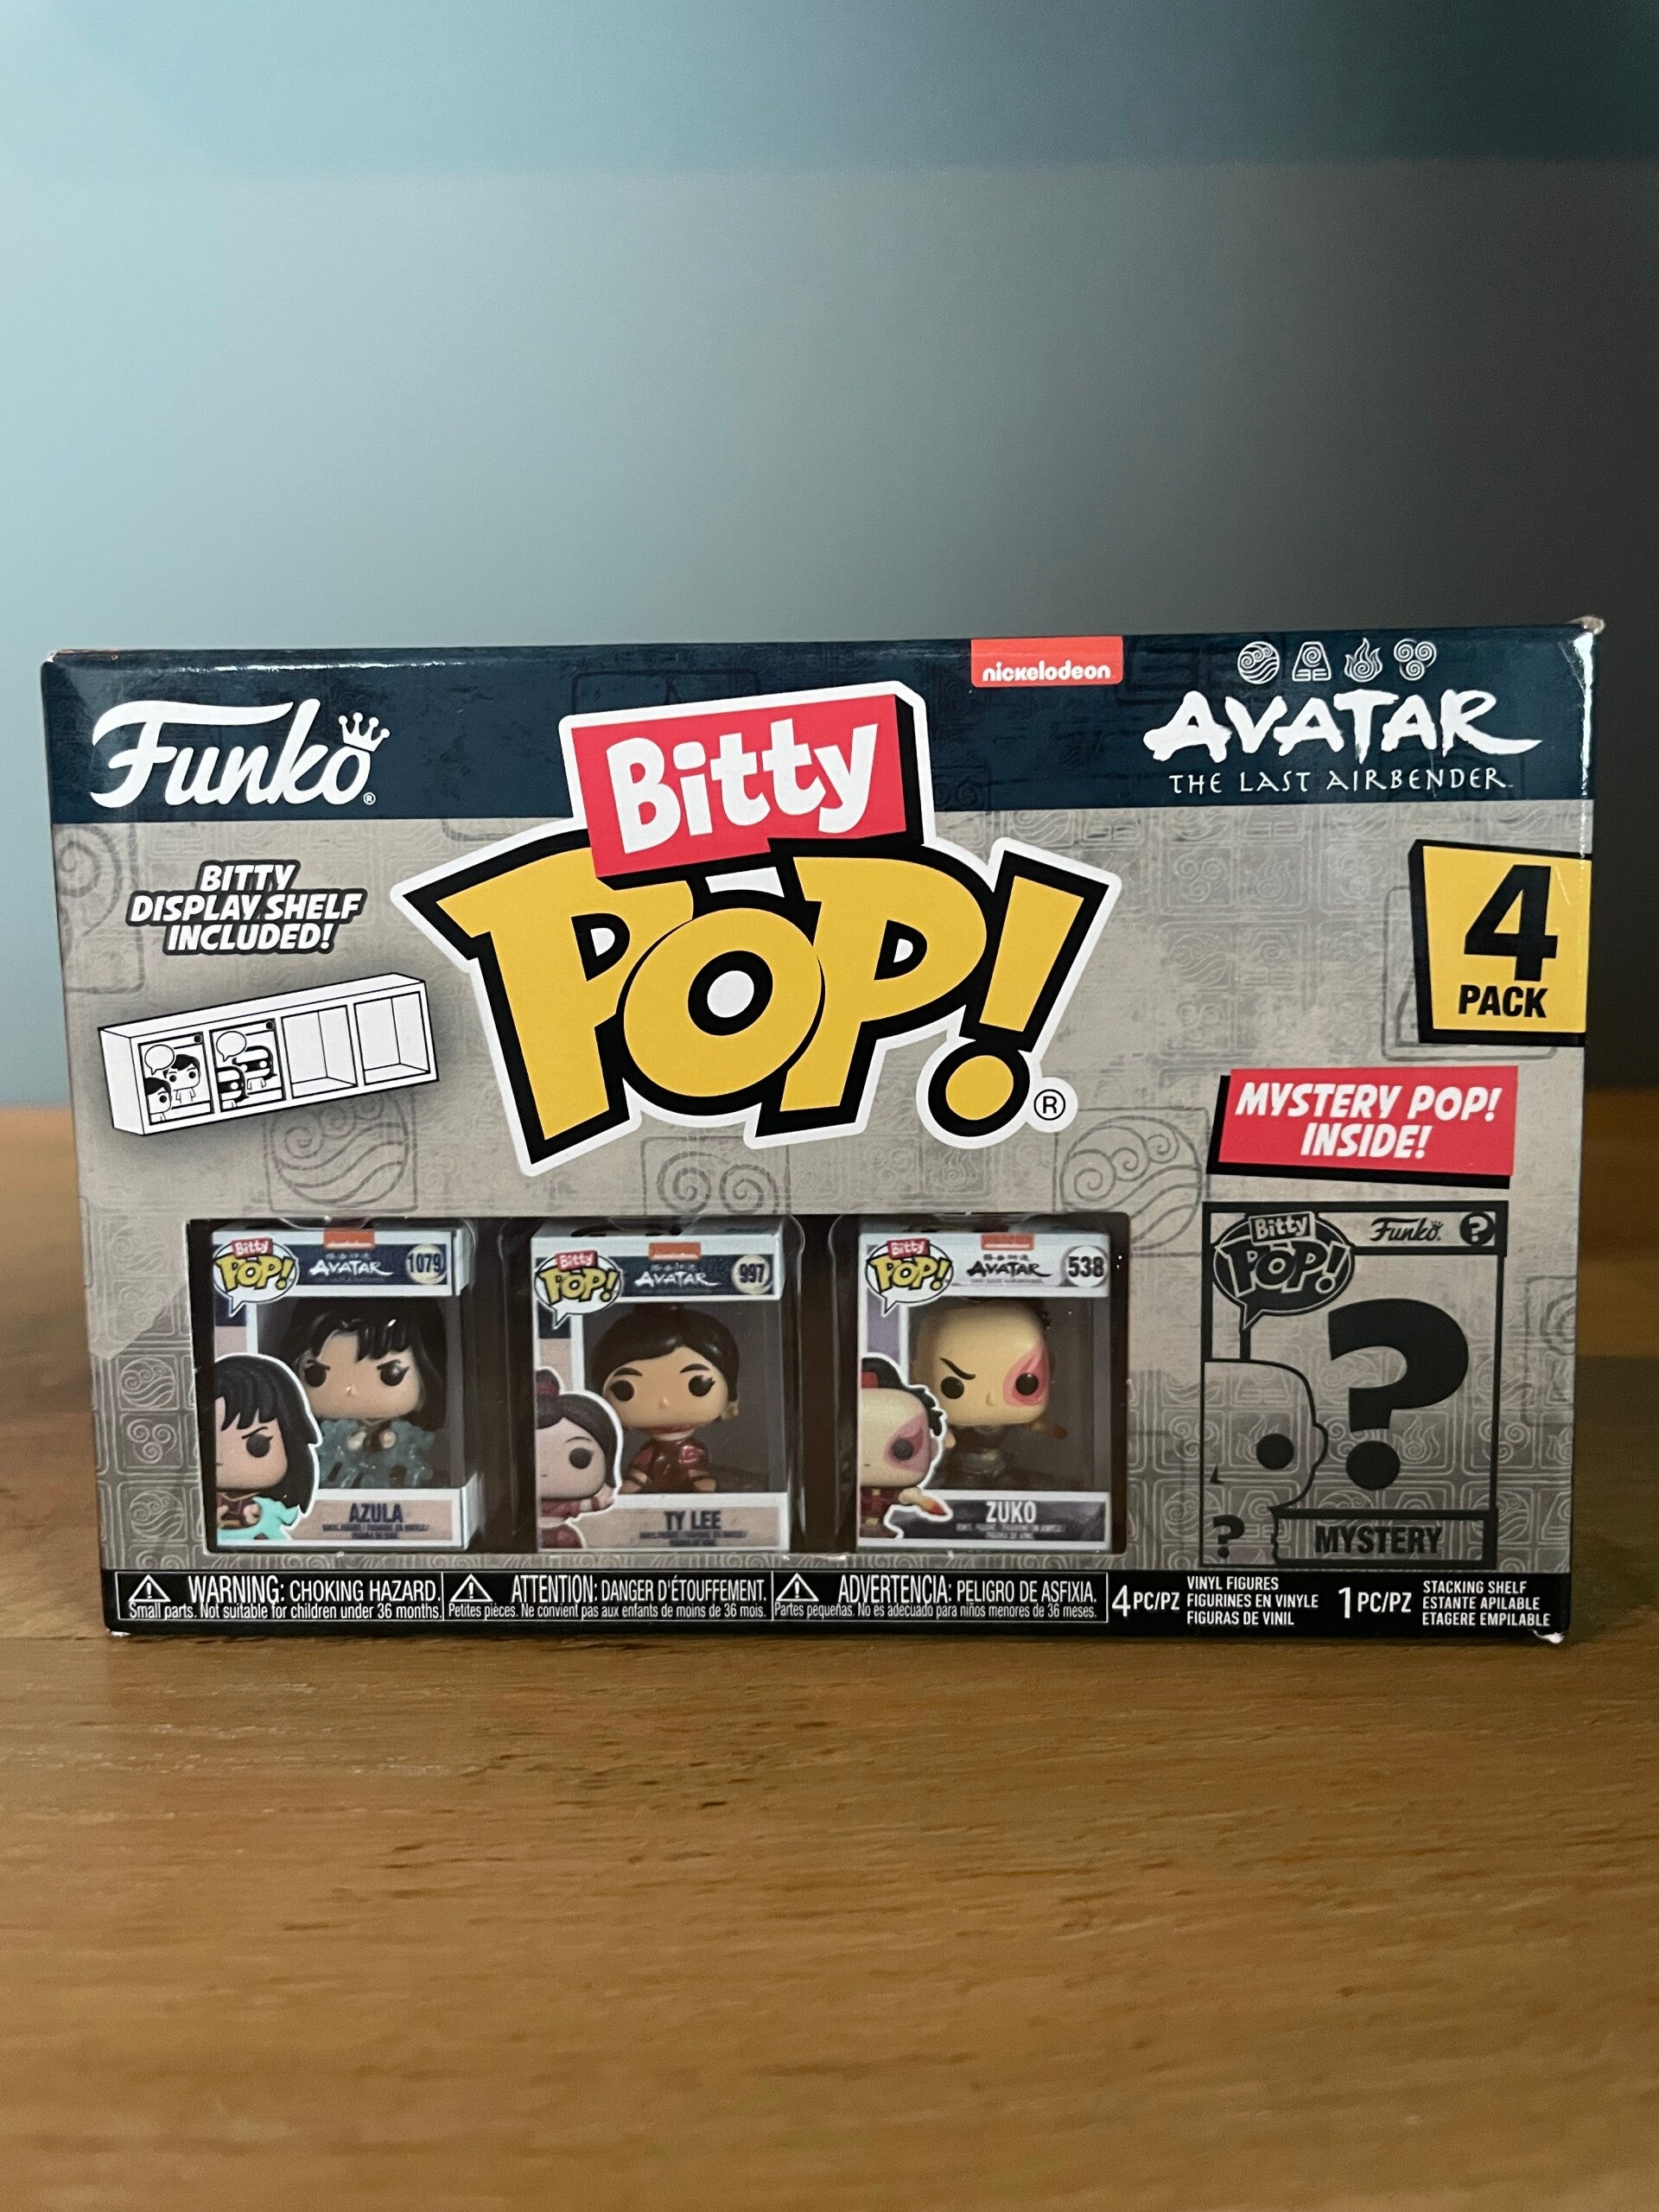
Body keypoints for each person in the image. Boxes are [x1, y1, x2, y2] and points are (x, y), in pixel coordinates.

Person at [588, 1306, 740, 1494]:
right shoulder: (648, 1452)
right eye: (625, 1389)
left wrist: (698, 1476)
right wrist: (637, 1479)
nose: (664, 1402)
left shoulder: (692, 1451)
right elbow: (641, 1469)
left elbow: (696, 1466)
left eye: (697, 1384)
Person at [213, 1352, 320, 1542]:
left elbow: (289, 1516)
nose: (220, 1458)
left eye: (256, 1444)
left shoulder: (271, 1508)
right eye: (210, 1444)